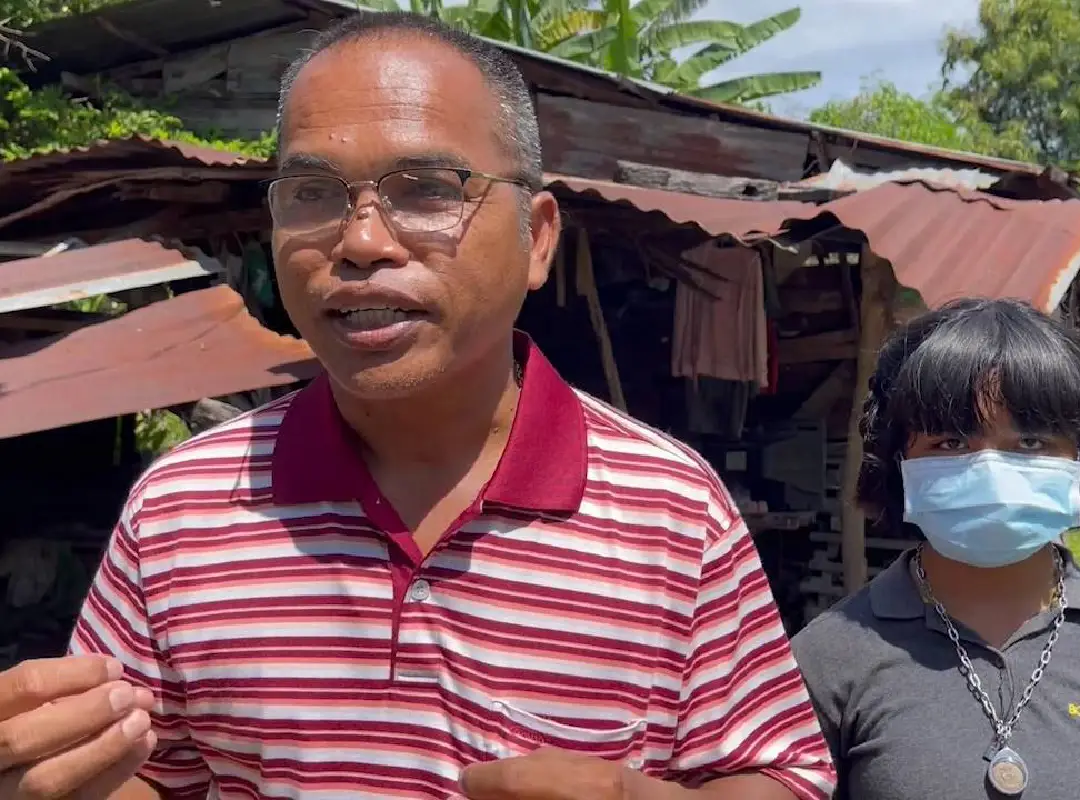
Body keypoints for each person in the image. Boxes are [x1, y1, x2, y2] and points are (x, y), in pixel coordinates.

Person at [0, 12, 835, 800]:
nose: (361, 242)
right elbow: (144, 778)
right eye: (314, 193)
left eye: (428, 189)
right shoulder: (181, 509)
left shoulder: (671, 510)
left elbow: (784, 776)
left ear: (537, 238)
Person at [790, 298, 1080, 800]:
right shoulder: (828, 661)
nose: (990, 469)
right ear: (897, 463)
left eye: (1030, 443)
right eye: (951, 443)